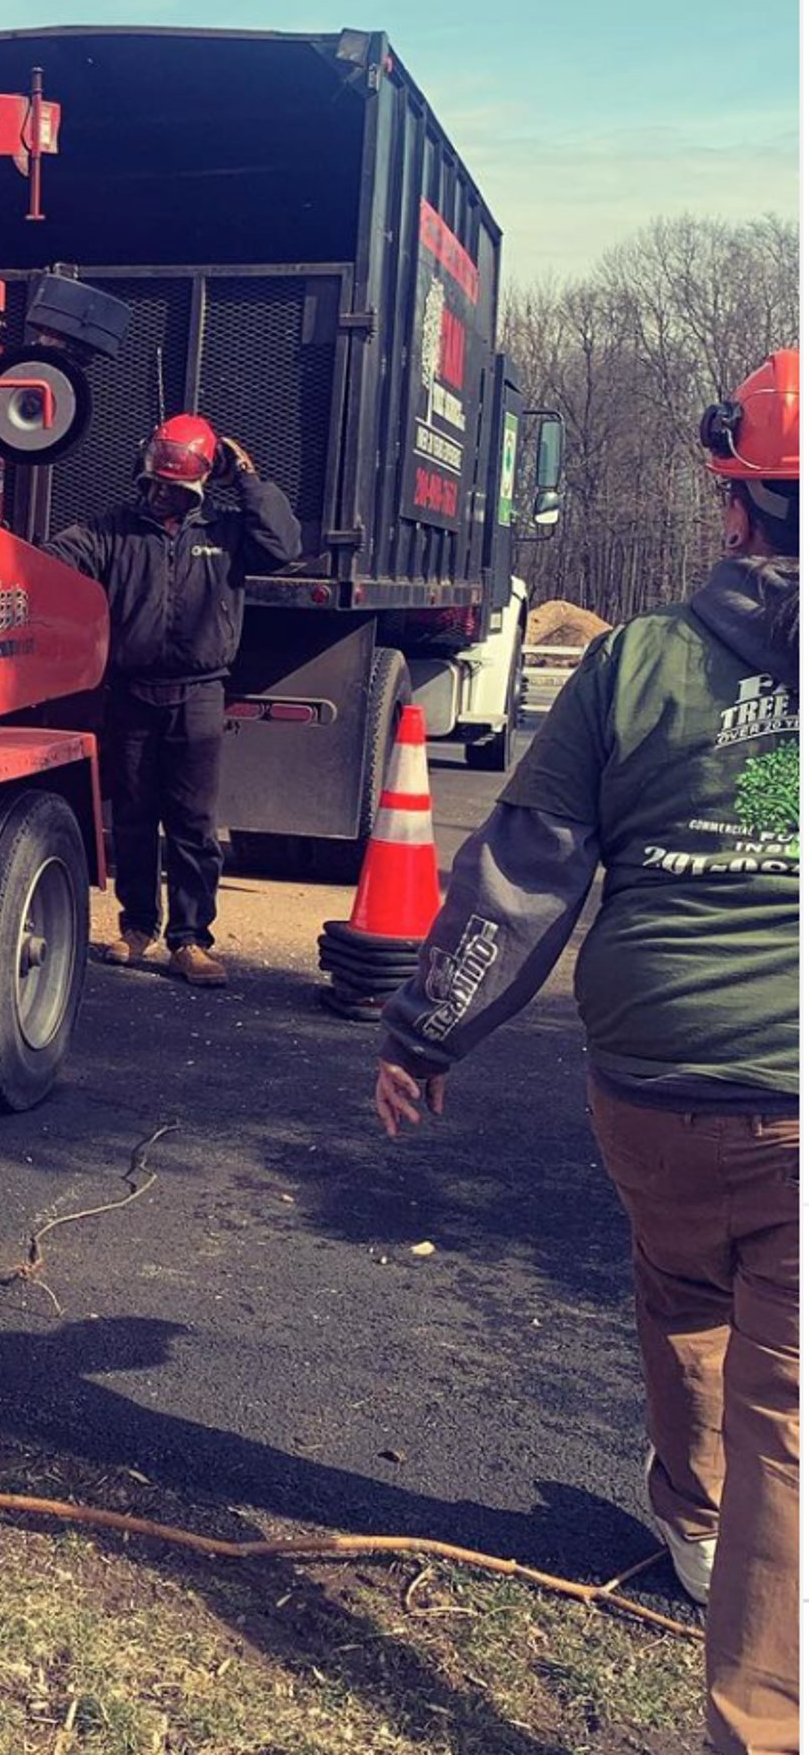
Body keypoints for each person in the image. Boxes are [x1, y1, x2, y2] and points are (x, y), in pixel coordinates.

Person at [373, 350, 800, 1755]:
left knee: (682, 1277)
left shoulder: (634, 663)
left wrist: (431, 1032)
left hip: (652, 1085)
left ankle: (688, 1516)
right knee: (790, 1417)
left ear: (732, 503)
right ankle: (760, 1724)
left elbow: (526, 874)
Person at [47, 413, 302, 984]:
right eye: (157, 483)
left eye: (177, 487)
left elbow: (284, 545)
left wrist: (249, 480)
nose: (165, 494)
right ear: (144, 475)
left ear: (202, 483)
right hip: (132, 694)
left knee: (192, 823)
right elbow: (55, 558)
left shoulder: (228, 531)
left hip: (199, 695)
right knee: (134, 820)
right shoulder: (113, 530)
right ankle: (138, 928)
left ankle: (190, 940)